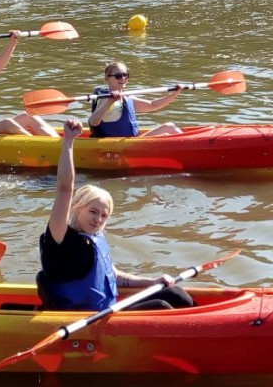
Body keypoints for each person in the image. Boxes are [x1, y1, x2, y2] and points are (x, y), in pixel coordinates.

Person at [36, 119, 195, 311]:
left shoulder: (94, 238)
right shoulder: (60, 238)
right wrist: (68, 142)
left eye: (104, 215)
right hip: (88, 318)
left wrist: (153, 281)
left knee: (175, 294)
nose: (98, 219)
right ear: (77, 207)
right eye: (93, 212)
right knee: (161, 306)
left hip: (109, 309)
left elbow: (115, 277)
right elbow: (64, 188)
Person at [88, 62, 182, 138]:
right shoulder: (105, 99)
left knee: (169, 126)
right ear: (107, 78)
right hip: (117, 146)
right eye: (118, 76)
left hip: (132, 141)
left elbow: (153, 105)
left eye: (125, 75)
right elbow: (93, 122)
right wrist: (110, 101)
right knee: (169, 129)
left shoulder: (128, 98)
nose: (123, 78)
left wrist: (174, 95)